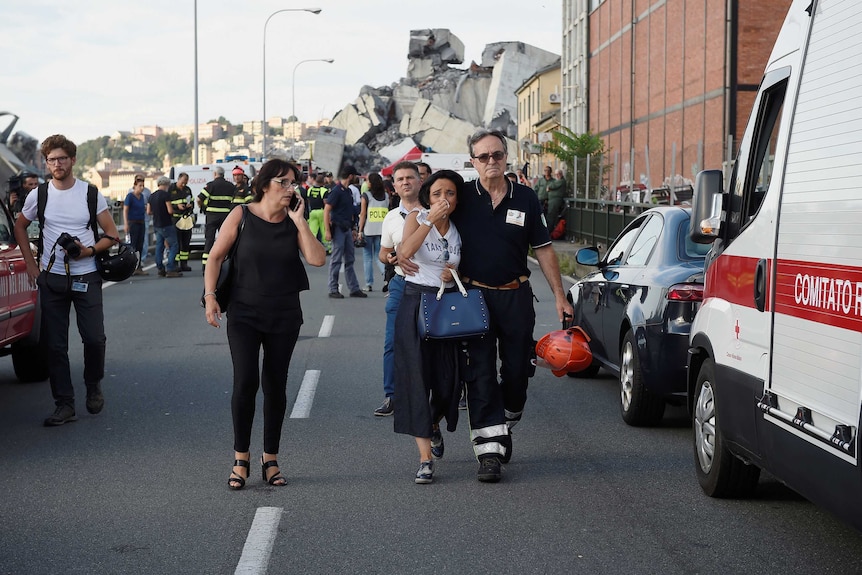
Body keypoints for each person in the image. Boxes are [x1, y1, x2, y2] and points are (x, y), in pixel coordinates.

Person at [403, 129, 572, 483]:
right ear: (473, 161)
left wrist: (559, 294)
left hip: (516, 295)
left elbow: (543, 249)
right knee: (479, 373)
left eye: (497, 155)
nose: (491, 162)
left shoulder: (526, 198)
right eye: (483, 157)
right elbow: (426, 217)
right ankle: (489, 451)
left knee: (515, 372)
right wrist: (393, 252)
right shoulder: (462, 196)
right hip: (473, 298)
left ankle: (508, 419)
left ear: (506, 157)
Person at [204, 158, 326, 490]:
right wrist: (211, 295)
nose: (290, 188)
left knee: (275, 386)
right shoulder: (241, 214)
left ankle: (270, 458)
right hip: (244, 313)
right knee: (245, 382)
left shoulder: (292, 221)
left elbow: (317, 259)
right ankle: (241, 458)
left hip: (284, 314)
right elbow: (215, 256)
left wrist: (300, 223)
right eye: (284, 182)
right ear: (265, 184)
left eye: (293, 183)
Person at [13, 134, 121, 426]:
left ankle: (93, 384)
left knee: (94, 339)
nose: (57, 164)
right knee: (55, 346)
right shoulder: (40, 194)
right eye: (51, 160)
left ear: (72, 160)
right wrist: (31, 266)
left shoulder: (90, 193)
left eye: (62, 158)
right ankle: (64, 404)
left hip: (87, 275)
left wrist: (89, 250)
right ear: (46, 163)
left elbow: (113, 235)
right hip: (53, 279)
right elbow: (19, 227)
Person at [393, 169, 463, 484]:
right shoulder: (417, 218)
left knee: (449, 380)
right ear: (428, 197)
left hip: (446, 306)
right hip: (415, 301)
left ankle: (433, 422)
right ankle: (424, 460)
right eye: (437, 194)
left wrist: (454, 274)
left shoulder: (461, 229)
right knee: (416, 379)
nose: (443, 200)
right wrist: (429, 220)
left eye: (449, 194)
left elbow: (464, 262)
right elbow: (404, 253)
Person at [374, 161, 422, 416]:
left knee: (434, 341)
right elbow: (383, 252)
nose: (405, 182)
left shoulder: (433, 211)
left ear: (419, 181)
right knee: (392, 342)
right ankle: (391, 396)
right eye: (400, 179)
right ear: (394, 186)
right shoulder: (391, 217)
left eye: (410, 178)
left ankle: (437, 393)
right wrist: (389, 258)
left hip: (431, 287)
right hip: (401, 284)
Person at [323, 166, 366, 299]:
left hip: (346, 228)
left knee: (350, 259)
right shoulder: (337, 191)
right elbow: (327, 210)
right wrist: (327, 230)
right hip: (338, 228)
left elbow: (349, 212)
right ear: (350, 176)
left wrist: (353, 229)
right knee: (336, 259)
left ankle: (354, 288)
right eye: (354, 176)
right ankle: (333, 288)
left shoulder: (347, 191)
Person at [198, 165, 235, 272]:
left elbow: (199, 199)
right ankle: (226, 263)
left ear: (215, 174)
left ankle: (206, 266)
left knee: (209, 240)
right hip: (226, 217)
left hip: (212, 216)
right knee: (225, 240)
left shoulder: (210, 185)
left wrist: (204, 208)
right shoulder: (231, 186)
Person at [358, 173, 389, 291]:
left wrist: (360, 230)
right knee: (379, 256)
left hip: (368, 229)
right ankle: (386, 277)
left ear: (370, 183)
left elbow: (363, 214)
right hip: (382, 230)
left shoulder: (366, 196)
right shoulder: (386, 195)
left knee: (367, 258)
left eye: (367, 180)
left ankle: (368, 283)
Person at [148, 176, 182, 277]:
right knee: (174, 245)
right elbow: (170, 210)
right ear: (167, 185)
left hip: (156, 224)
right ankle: (170, 268)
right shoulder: (166, 195)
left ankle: (160, 267)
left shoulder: (152, 196)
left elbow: (148, 211)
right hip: (166, 224)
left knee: (159, 245)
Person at [169, 172, 194, 271]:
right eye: (182, 182)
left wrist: (190, 206)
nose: (184, 184)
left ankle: (184, 264)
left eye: (186, 182)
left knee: (185, 242)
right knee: (176, 242)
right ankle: (175, 264)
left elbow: (191, 200)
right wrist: (177, 206)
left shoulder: (187, 190)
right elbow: (168, 203)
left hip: (186, 218)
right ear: (178, 179)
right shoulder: (171, 189)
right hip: (175, 218)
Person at [124, 178, 149, 276]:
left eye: (143, 186)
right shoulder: (130, 196)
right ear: (135, 186)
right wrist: (126, 224)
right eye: (140, 186)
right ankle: (131, 267)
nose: (142, 188)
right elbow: (125, 210)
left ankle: (138, 267)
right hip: (133, 222)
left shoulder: (142, 197)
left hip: (141, 222)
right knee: (133, 246)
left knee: (140, 245)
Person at [305, 172, 330, 253]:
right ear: (323, 182)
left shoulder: (310, 189)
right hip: (321, 212)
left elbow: (309, 201)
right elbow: (326, 203)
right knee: (324, 230)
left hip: (312, 212)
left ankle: (312, 248)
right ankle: (328, 248)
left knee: (313, 231)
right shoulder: (324, 190)